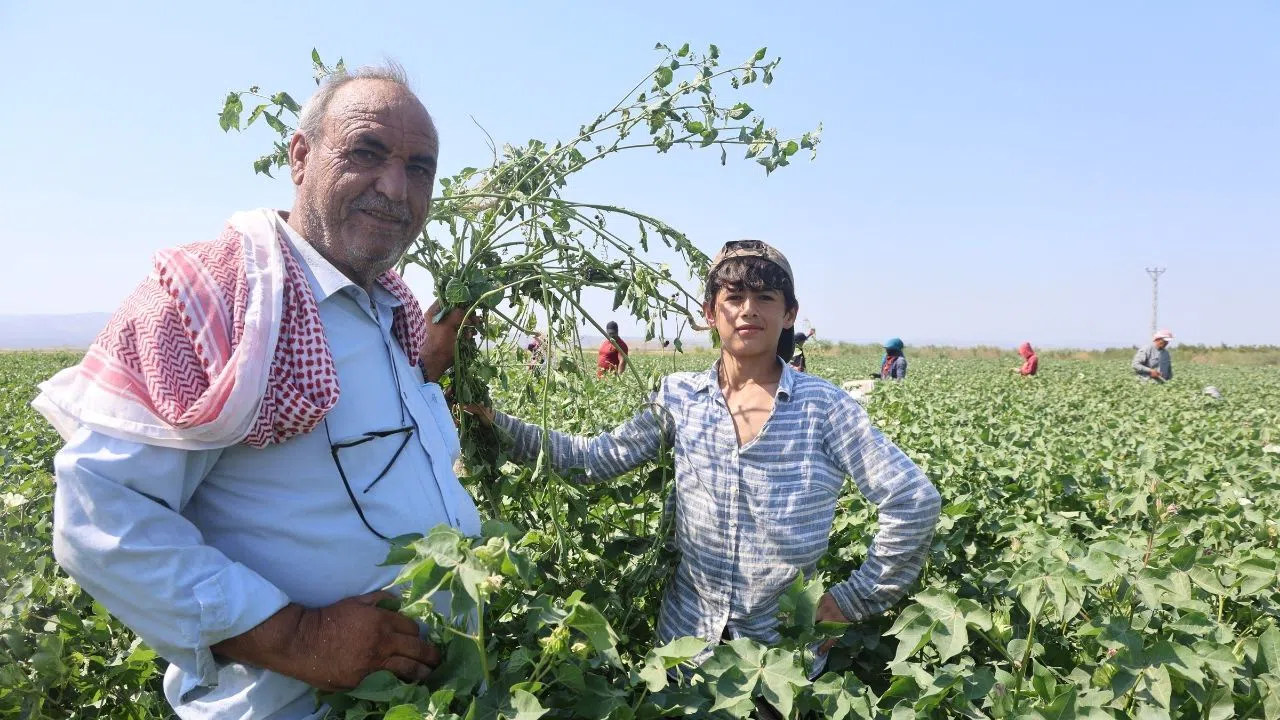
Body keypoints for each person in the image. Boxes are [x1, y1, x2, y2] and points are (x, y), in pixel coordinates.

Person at [32, 67, 479, 719]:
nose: (395, 187)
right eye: (366, 153)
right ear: (300, 156)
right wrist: (298, 637)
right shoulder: (218, 299)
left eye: (419, 168)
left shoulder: (392, 311)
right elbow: (101, 516)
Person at [469, 240, 940, 699]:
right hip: (684, 652)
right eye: (733, 298)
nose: (748, 310)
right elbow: (594, 458)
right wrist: (496, 424)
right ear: (710, 313)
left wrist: (852, 601)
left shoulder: (825, 407)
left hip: (778, 663)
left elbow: (913, 500)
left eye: (765, 298)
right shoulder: (680, 397)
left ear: (789, 314)